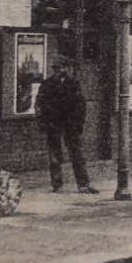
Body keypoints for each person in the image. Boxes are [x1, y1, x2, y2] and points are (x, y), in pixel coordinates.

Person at [36, 58, 97, 193]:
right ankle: (57, 185)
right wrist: (44, 122)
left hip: (70, 125)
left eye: (61, 68)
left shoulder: (74, 84)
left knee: (77, 154)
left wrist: (79, 123)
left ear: (66, 68)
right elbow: (39, 104)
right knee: (54, 155)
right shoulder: (47, 85)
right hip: (54, 124)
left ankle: (83, 184)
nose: (59, 71)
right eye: (56, 69)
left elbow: (81, 105)